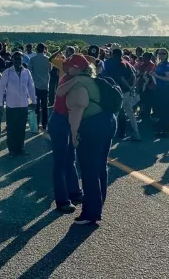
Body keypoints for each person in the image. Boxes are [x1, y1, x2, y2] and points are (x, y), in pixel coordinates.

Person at [57, 54, 116, 225]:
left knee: (89, 170)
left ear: (76, 68)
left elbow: (77, 111)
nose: (66, 69)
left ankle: (90, 213)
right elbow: (60, 92)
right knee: (100, 166)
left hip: (92, 125)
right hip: (108, 121)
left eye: (69, 66)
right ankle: (97, 205)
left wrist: (74, 134)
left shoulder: (78, 85)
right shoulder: (92, 80)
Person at [48, 59, 85, 214]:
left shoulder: (72, 79)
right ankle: (62, 200)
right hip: (60, 121)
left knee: (70, 159)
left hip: (66, 121)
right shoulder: (68, 81)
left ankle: (74, 192)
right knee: (61, 162)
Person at [0, 51, 37, 156]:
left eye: (19, 58)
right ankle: (12, 150)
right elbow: (1, 89)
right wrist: (0, 104)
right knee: (11, 129)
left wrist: (34, 101)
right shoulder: (7, 72)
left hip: (23, 105)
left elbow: (31, 87)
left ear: (22, 59)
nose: (17, 60)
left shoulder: (26, 72)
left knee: (21, 129)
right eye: (15, 58)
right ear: (12, 59)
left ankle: (20, 148)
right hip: (11, 106)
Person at [104, 48, 141, 141]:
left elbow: (121, 78)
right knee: (130, 113)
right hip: (127, 93)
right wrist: (132, 87)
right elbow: (133, 75)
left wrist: (129, 87)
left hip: (118, 92)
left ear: (113, 55)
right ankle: (136, 133)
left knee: (115, 113)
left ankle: (109, 134)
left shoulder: (116, 63)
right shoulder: (126, 63)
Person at [28, 43, 52, 131]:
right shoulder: (48, 59)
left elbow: (29, 71)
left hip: (36, 85)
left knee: (36, 106)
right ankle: (45, 124)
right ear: (44, 50)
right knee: (44, 106)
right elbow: (50, 70)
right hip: (45, 85)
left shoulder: (32, 59)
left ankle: (36, 124)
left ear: (37, 49)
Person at [152, 48, 169, 138]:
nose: (161, 55)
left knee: (165, 110)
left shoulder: (167, 65)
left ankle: (167, 131)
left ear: (167, 55)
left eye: (163, 53)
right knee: (161, 110)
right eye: (160, 53)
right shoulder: (159, 64)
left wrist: (157, 76)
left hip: (166, 90)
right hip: (159, 89)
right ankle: (162, 129)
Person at [136, 52, 156, 121]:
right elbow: (138, 73)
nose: (144, 58)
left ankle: (147, 116)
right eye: (143, 57)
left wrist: (141, 74)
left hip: (149, 86)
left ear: (149, 58)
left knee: (148, 102)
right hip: (141, 86)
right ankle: (142, 113)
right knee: (142, 101)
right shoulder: (142, 65)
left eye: (145, 57)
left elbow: (147, 74)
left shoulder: (152, 65)